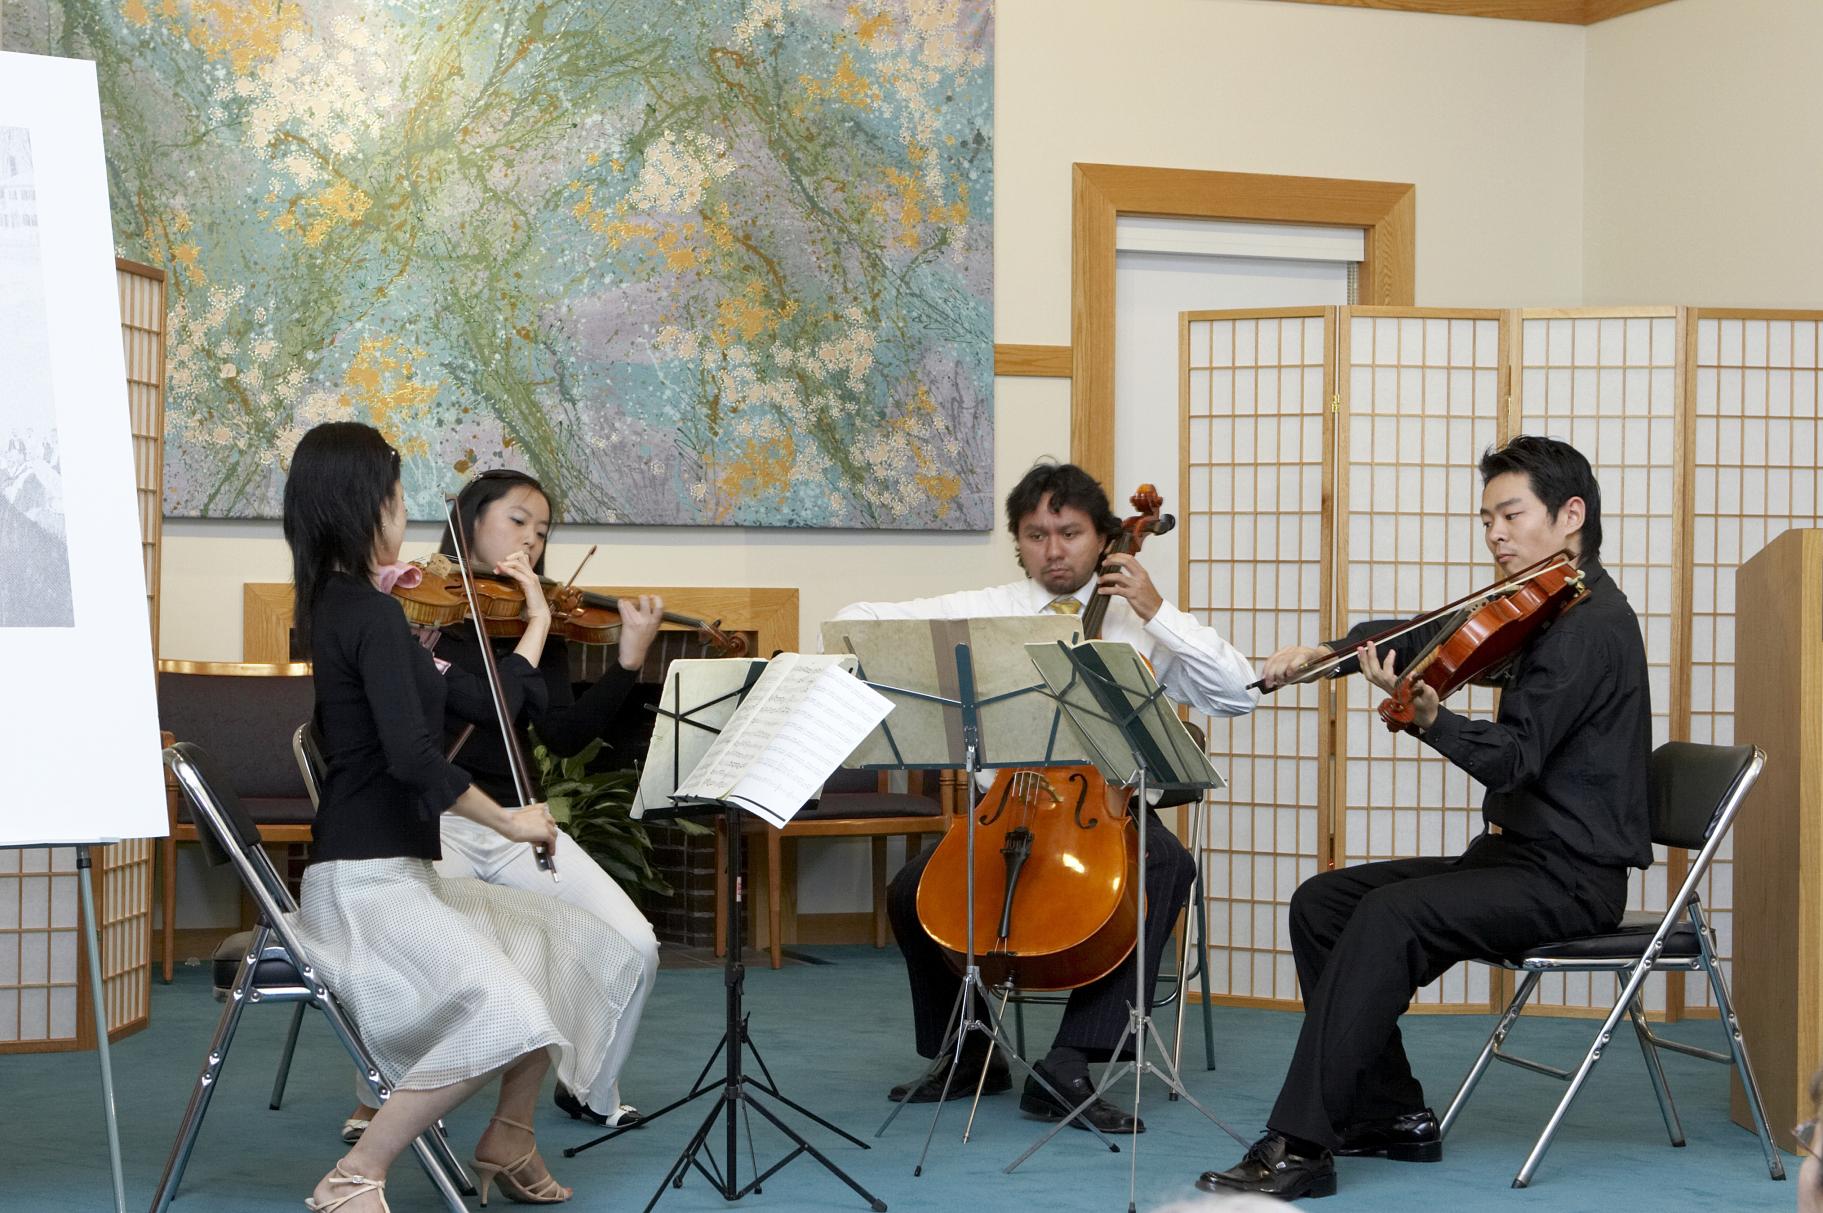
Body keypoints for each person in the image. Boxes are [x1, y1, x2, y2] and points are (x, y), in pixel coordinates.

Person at [1197, 436, 1652, 1201]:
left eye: (1509, 514)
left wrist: (1429, 720)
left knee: (1387, 917)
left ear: (1570, 514)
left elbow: (1513, 759)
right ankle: (1389, 1115)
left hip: (1570, 878)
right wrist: (1330, 651)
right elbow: (1431, 631)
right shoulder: (1549, 604)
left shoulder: (1590, 626)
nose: (1494, 533)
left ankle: (1300, 1143)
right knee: (1324, 903)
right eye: (1485, 519)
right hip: (1513, 860)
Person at [284, 422, 646, 1211]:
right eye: (396, 493)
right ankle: (354, 1175)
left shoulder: (352, 606)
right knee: (510, 1010)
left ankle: (509, 1135)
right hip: (365, 883)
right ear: (366, 503)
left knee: (559, 940)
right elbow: (415, 759)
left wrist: (521, 627)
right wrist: (513, 822)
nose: (404, 510)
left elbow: (472, 702)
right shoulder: (368, 614)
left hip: (395, 868)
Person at [834, 460, 1257, 1134]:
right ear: (1016, 540)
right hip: (1007, 803)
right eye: (1035, 534)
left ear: (1102, 536)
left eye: (1069, 532)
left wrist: (1157, 610)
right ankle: (970, 1051)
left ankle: (1069, 1061)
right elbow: (856, 621)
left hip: (1104, 805)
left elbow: (1238, 691)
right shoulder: (990, 608)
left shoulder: (1140, 617)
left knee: (1166, 865)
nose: (1053, 550)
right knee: (911, 892)